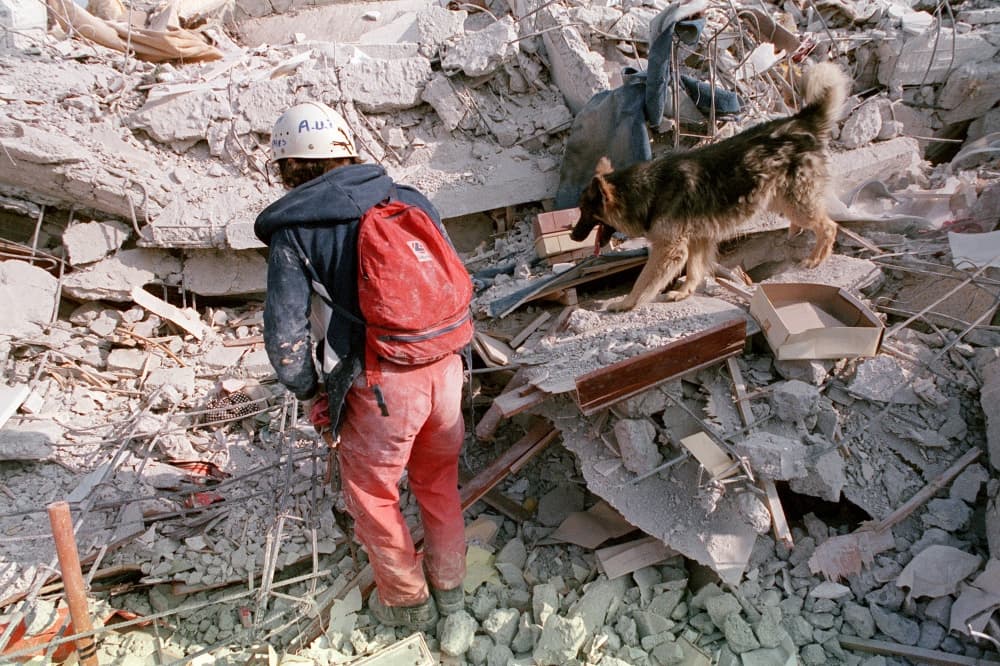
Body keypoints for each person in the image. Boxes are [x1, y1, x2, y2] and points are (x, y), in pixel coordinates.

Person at [254, 102, 468, 633]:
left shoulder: (296, 229)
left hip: (381, 385)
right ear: (347, 149)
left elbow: (285, 341)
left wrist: (311, 393)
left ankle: (407, 602)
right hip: (445, 369)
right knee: (438, 481)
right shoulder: (411, 198)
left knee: (373, 495)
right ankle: (454, 599)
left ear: (288, 165)